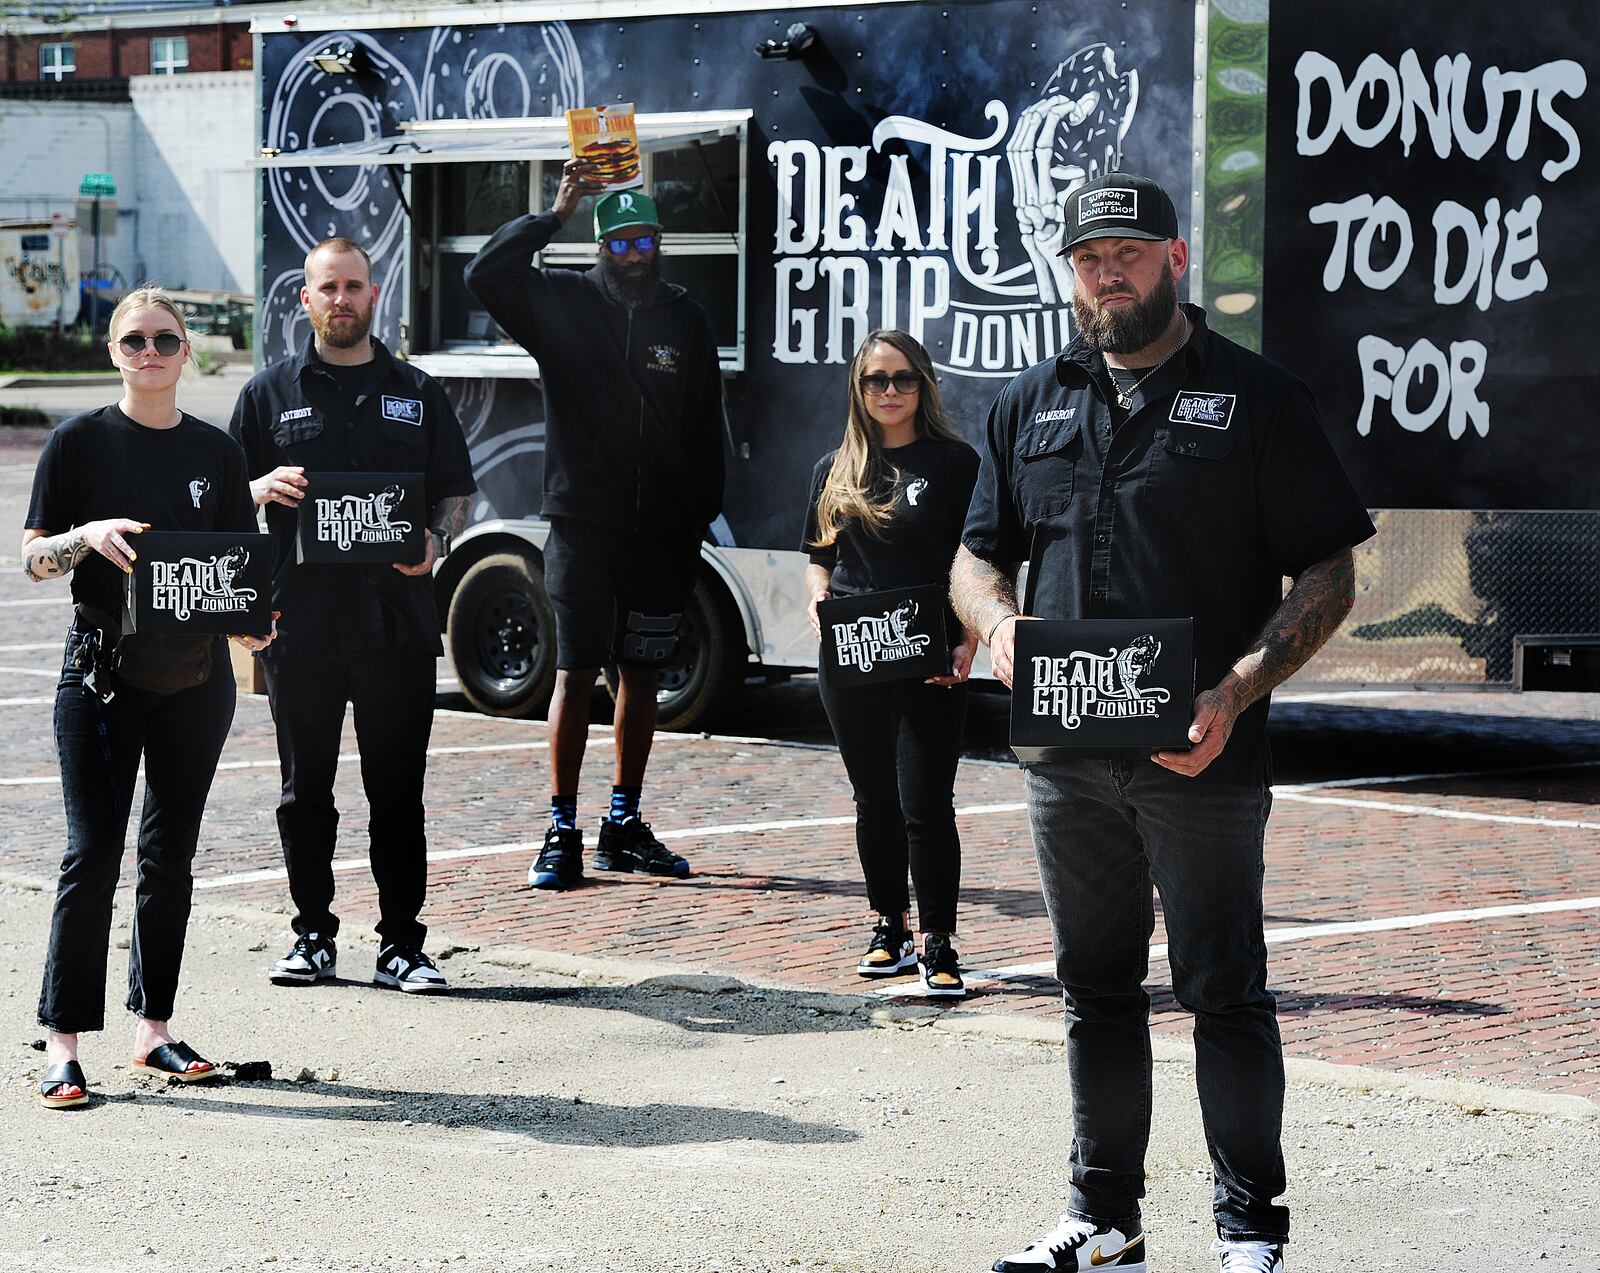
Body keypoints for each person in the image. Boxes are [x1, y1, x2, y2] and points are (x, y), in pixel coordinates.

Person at [950, 173, 1376, 1273]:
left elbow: (1329, 567)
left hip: (1202, 753)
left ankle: (1249, 1230)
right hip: (1062, 757)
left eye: (1128, 253)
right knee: (1093, 987)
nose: (1107, 273)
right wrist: (994, 622)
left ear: (1174, 259)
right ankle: (1107, 1218)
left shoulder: (1254, 396)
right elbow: (974, 554)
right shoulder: (1027, 400)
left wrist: (1232, 692)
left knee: (1220, 989)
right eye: (1089, 256)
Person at [24, 286, 276, 1108]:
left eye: (165, 339)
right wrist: (84, 537)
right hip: (99, 670)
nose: (151, 353)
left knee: (169, 854)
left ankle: (154, 1029)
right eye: (134, 340)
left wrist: (251, 625)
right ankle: (62, 1043)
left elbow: (235, 565)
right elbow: (31, 560)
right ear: (113, 351)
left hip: (196, 679)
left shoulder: (217, 452)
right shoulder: (78, 442)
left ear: (187, 350)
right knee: (91, 852)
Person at [465, 166, 725, 891]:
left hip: (662, 535)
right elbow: (486, 275)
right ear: (600, 245)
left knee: (640, 672)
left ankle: (623, 822)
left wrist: (697, 512)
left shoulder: (686, 317)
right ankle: (562, 827)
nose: (633, 252)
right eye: (619, 240)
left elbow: (709, 426)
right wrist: (552, 215)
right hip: (582, 525)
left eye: (644, 239)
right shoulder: (562, 304)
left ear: (659, 242)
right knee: (576, 672)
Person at [230, 237, 476, 994]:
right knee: (305, 792)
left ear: (375, 296)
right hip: (296, 628)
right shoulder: (266, 395)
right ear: (304, 299)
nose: (341, 299)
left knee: (397, 789)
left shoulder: (417, 391)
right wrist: (258, 487)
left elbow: (457, 491)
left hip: (395, 627)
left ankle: (402, 943)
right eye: (327, 287)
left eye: (354, 286)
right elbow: (220, 506)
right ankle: (312, 935)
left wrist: (438, 538)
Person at [801, 330, 979, 997]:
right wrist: (818, 598)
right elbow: (819, 555)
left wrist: (968, 638)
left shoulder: (955, 463)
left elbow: (976, 559)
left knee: (927, 801)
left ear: (923, 384)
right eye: (877, 380)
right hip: (850, 655)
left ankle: (940, 939)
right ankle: (889, 926)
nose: (890, 391)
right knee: (873, 798)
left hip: (928, 656)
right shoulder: (834, 466)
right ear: (859, 388)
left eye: (903, 378)